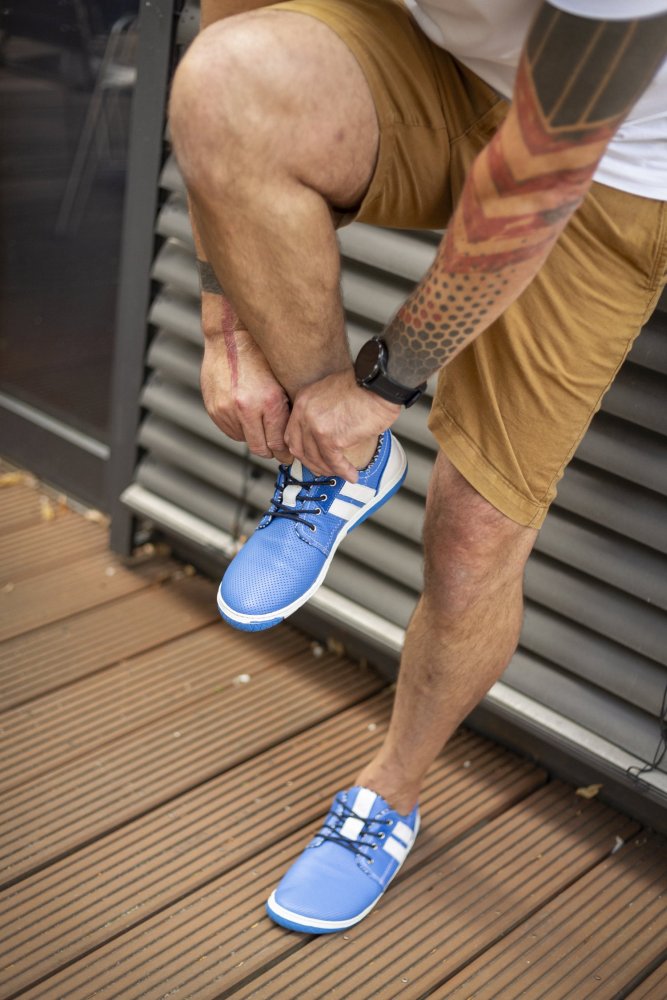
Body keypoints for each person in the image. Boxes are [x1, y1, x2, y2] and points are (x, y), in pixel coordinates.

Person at [169, 0, 667, 934]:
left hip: (605, 162)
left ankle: (388, 796)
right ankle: (338, 470)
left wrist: (382, 384)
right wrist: (222, 313)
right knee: (224, 81)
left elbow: (538, 171)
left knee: (473, 538)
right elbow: (238, 15)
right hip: (438, 66)